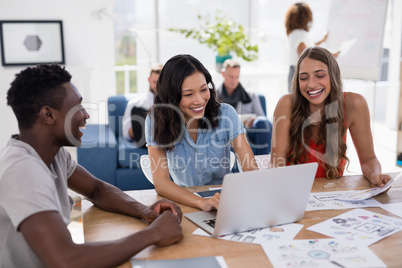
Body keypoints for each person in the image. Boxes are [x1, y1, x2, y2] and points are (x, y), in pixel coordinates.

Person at [0, 64, 183, 268]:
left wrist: (145, 211)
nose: (86, 114)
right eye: (77, 107)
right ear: (49, 115)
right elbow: (66, 260)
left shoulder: (53, 154)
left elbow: (97, 189)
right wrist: (154, 234)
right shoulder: (22, 170)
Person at [145, 54, 258, 211]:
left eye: (204, 89)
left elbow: (250, 169)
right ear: (171, 96)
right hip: (184, 201)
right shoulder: (155, 120)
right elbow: (161, 182)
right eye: (188, 94)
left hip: (225, 201)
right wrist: (201, 203)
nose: (199, 100)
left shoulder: (226, 114)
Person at [270, 47, 391, 188]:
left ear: (333, 75)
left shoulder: (354, 104)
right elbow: (277, 164)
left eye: (320, 75)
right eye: (303, 77)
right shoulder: (286, 104)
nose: (311, 84)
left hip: (332, 194)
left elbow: (368, 159)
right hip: (293, 191)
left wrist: (375, 175)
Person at [217, 59, 272, 155]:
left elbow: (262, 117)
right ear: (223, 74)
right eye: (231, 77)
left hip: (249, 133)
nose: (234, 81)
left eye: (237, 77)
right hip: (228, 135)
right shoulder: (214, 96)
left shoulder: (251, 95)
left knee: (263, 121)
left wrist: (252, 120)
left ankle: (263, 162)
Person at [285, 2, 329, 92]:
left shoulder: (295, 33)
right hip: (300, 72)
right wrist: (328, 57)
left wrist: (322, 41)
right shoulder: (299, 34)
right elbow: (305, 55)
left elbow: (308, 49)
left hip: (295, 71)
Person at [122, 63, 163, 146]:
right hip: (142, 140)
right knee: (137, 111)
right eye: (154, 82)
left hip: (163, 142)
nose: (157, 86)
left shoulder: (171, 104)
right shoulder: (135, 103)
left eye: (160, 82)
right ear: (149, 80)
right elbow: (126, 134)